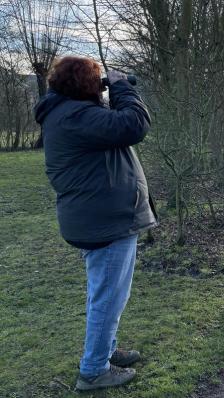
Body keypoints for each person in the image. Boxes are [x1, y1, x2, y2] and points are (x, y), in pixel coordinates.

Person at [34, 56, 156, 391]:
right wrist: (120, 88)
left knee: (106, 293)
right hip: (105, 222)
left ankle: (105, 350)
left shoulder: (71, 113)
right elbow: (133, 125)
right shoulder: (76, 116)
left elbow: (115, 127)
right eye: (96, 78)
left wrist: (108, 91)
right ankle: (93, 371)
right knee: (108, 297)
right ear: (84, 84)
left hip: (98, 218)